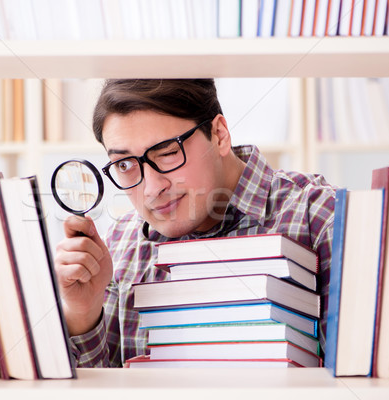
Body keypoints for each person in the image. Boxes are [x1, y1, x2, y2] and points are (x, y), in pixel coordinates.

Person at [54, 79, 336, 367]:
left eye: (167, 153)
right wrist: (83, 313)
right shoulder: (119, 243)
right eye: (125, 164)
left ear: (219, 134)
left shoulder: (319, 218)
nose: (151, 189)